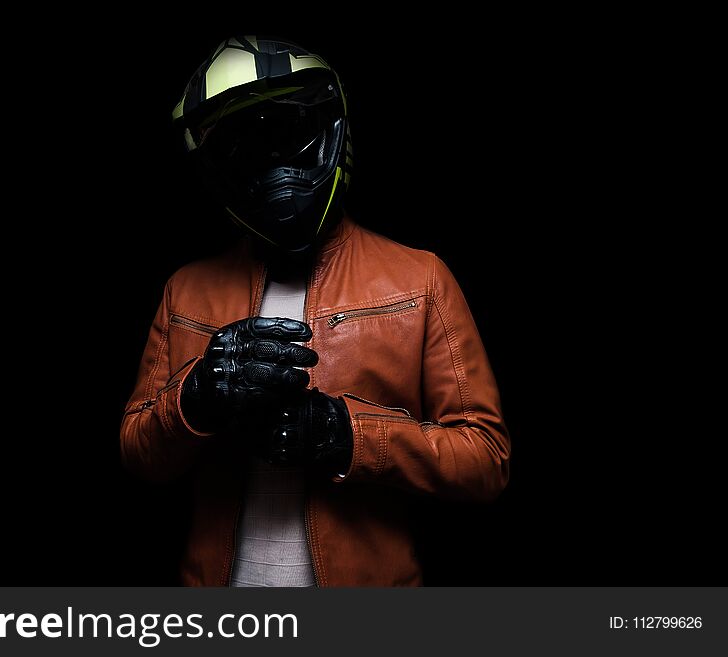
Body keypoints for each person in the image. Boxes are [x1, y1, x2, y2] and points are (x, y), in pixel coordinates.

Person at [120, 36, 510, 586]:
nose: (275, 163)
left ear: (330, 131)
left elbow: (485, 461)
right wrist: (197, 398)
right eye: (243, 146)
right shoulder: (186, 290)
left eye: (289, 134)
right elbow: (139, 455)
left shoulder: (418, 279)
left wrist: (343, 433)